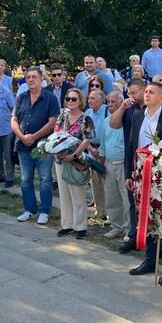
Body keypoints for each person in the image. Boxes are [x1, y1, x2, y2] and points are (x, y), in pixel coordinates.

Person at [123, 82, 162, 283]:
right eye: (146, 92)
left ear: (161, 97)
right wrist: (129, 173)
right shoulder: (138, 115)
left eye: (151, 92)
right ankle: (150, 260)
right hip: (140, 176)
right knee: (145, 217)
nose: (147, 95)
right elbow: (131, 145)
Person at [12, 68, 60, 225]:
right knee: (26, 179)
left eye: (34, 77)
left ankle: (44, 211)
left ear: (41, 79)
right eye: (28, 77)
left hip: (43, 146)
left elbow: (52, 122)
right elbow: (14, 120)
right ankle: (29, 210)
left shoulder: (50, 98)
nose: (31, 79)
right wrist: (21, 136)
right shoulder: (21, 97)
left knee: (45, 179)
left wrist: (34, 136)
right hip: (23, 146)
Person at [53, 89, 97, 239]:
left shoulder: (86, 119)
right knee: (64, 194)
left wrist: (73, 155)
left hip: (76, 161)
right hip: (60, 160)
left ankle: (80, 226)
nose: (70, 101)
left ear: (80, 101)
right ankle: (67, 225)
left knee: (77, 194)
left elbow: (86, 140)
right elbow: (56, 135)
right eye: (68, 99)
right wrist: (60, 152)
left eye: (74, 99)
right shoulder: (61, 117)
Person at [110, 78, 147, 253]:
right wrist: (123, 106)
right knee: (133, 201)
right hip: (131, 159)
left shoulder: (151, 108)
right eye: (129, 93)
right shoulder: (129, 108)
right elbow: (114, 124)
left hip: (148, 161)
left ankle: (149, 239)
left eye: (134, 92)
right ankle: (133, 236)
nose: (131, 96)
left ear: (144, 89)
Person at [98, 89, 131, 240]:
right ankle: (116, 226)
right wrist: (101, 164)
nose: (110, 104)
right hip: (109, 164)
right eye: (108, 102)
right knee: (112, 198)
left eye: (113, 102)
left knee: (127, 199)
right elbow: (103, 145)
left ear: (121, 102)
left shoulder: (128, 120)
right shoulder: (106, 121)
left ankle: (129, 229)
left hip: (124, 164)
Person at [85, 89, 108, 225]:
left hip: (105, 150)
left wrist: (101, 150)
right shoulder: (87, 113)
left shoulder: (107, 111)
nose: (90, 100)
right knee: (95, 183)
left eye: (93, 98)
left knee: (108, 182)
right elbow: (84, 134)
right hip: (91, 150)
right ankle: (100, 212)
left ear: (101, 100)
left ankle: (112, 213)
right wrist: (90, 149)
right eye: (89, 98)